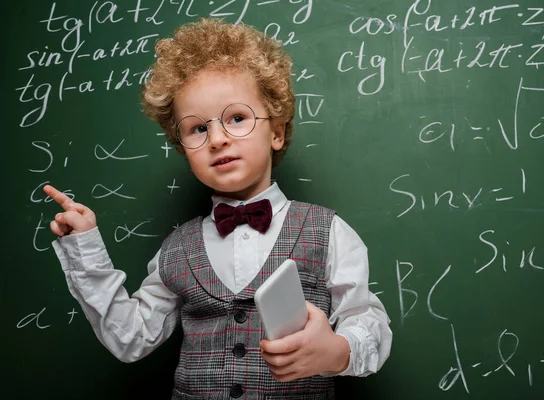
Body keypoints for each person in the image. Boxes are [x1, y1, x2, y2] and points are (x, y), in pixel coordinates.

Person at [44, 18, 392, 400]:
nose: (218, 139)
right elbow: (132, 338)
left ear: (275, 131)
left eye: (237, 118)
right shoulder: (176, 247)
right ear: (183, 148)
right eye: (197, 129)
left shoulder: (329, 231)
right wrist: (86, 249)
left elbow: (367, 320)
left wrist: (338, 352)